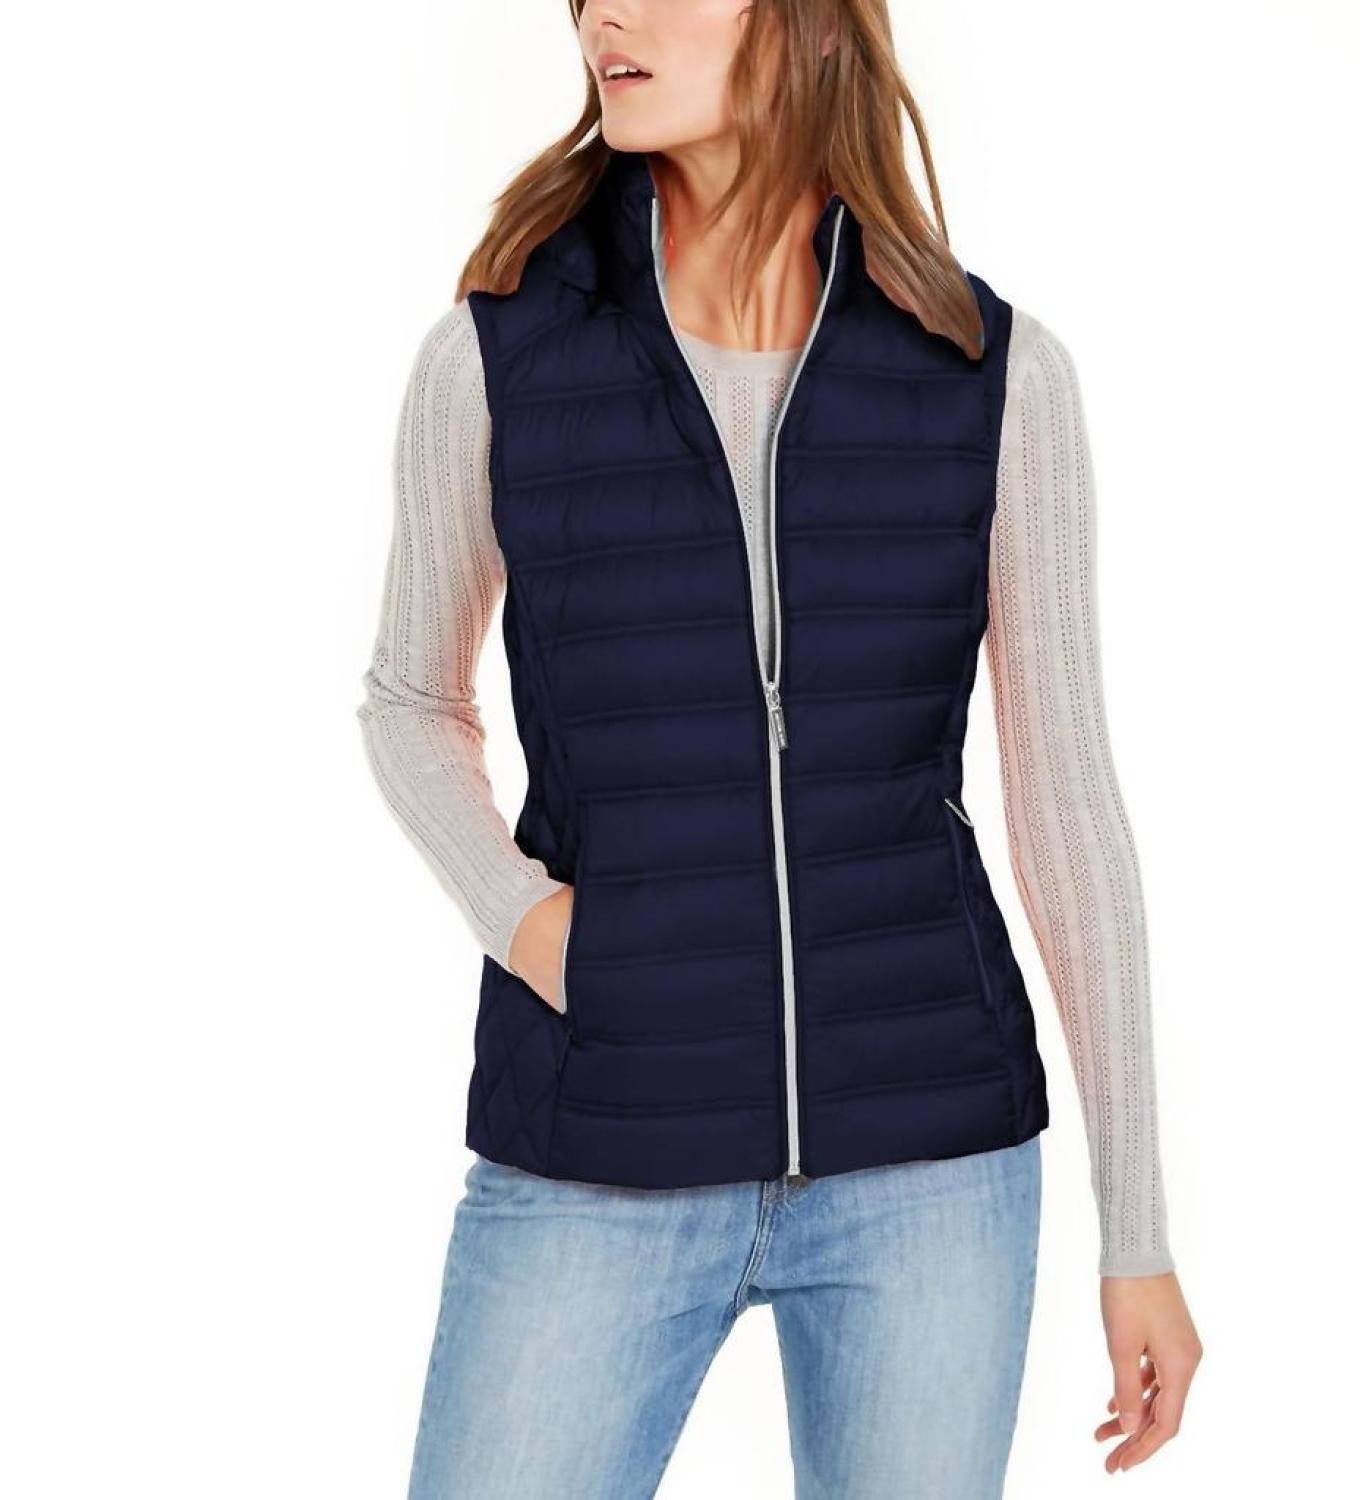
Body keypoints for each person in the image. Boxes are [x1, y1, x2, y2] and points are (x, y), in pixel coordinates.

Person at [357, 2, 1203, 1494]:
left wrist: (1136, 1231)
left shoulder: (991, 371)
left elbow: (1067, 800)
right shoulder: (498, 356)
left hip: (930, 1164)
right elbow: (409, 702)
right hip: (599, 1141)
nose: (604, 13)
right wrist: (536, 931)